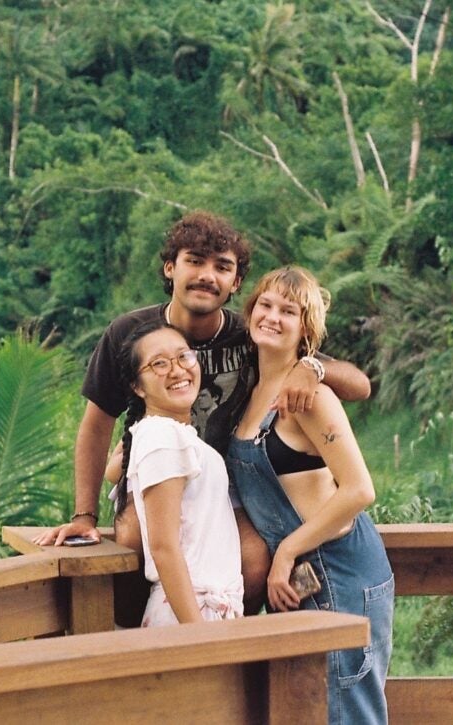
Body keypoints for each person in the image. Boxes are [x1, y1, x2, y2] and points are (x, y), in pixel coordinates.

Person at [34, 211, 371, 620]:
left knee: (253, 562)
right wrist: (84, 515)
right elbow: (96, 424)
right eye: (195, 261)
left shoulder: (250, 334)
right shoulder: (131, 333)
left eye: (222, 267)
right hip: (159, 476)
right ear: (171, 267)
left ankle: (228, 646)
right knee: (134, 540)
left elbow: (358, 383)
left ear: (236, 283)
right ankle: (136, 639)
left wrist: (312, 367)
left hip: (222, 482)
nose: (207, 275)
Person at [226, 266, 393, 725]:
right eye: (266, 305)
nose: (273, 317)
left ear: (306, 329)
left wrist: (287, 552)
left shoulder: (312, 396)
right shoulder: (250, 390)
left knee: (347, 714)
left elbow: (359, 490)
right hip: (296, 586)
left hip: (340, 573)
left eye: (289, 311)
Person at [114, 319, 243, 625]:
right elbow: (164, 547)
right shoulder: (162, 438)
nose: (177, 370)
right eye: (159, 364)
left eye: (183, 356)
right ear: (137, 386)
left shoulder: (166, 435)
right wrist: (197, 634)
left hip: (203, 610)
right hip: (189, 614)